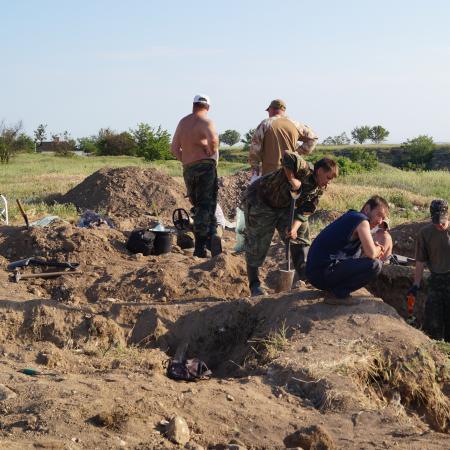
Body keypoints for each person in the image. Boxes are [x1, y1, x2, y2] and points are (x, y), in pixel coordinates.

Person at [243, 151, 339, 296]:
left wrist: (293, 229)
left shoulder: (318, 189)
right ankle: (255, 285)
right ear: (319, 171)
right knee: (257, 241)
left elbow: (304, 211)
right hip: (260, 200)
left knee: (300, 235)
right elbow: (288, 155)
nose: (329, 182)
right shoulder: (304, 169)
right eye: (328, 177)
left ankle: (305, 277)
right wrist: (292, 179)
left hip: (284, 207)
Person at [306, 196, 389, 301]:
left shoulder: (353, 218)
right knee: (375, 265)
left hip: (316, 273)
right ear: (367, 209)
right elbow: (371, 253)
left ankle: (336, 290)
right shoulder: (361, 220)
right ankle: (338, 294)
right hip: (322, 272)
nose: (380, 221)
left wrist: (371, 248)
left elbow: (359, 255)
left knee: (362, 257)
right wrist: (378, 249)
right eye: (379, 215)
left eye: (383, 218)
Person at [171, 94, 221, 257]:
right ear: (208, 107)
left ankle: (211, 238)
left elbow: (174, 149)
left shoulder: (183, 122)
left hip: (188, 169)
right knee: (206, 206)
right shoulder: (207, 122)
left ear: (193, 105)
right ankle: (201, 247)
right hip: (205, 167)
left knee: (198, 204)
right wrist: (210, 151)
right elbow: (213, 140)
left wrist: (186, 159)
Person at [408, 199, 449, 341]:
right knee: (432, 323)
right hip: (436, 281)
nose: (440, 225)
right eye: (436, 222)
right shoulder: (425, 234)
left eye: (442, 221)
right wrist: (416, 284)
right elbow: (420, 261)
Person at [248, 99, 318, 177]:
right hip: (290, 173)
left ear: (271, 109)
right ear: (283, 110)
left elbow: (255, 147)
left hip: (269, 173)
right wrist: (297, 153)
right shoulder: (296, 124)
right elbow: (313, 138)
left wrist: (254, 165)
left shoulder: (265, 124)